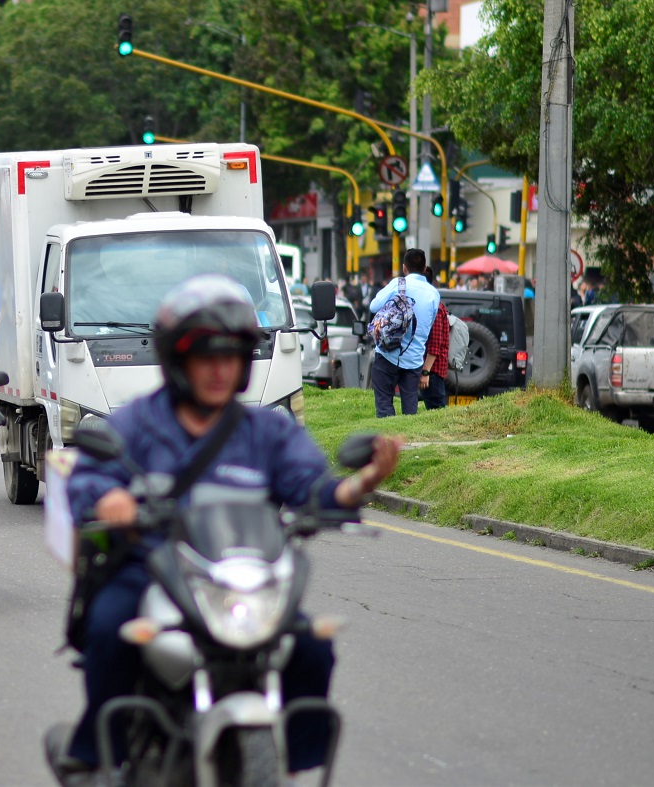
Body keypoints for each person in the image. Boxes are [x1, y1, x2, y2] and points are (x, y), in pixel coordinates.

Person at [50, 276, 401, 783]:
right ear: (178, 361)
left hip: (237, 576)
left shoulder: (268, 431)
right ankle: (99, 753)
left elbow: (311, 488)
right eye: (205, 356)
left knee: (311, 646)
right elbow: (89, 478)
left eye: (231, 356)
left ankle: (296, 763)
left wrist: (361, 484)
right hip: (152, 568)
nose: (219, 369)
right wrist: (112, 498)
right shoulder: (138, 423)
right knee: (110, 629)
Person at [367, 248, 440, 417]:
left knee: (384, 403)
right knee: (410, 407)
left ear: (404, 268)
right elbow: (429, 323)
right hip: (414, 359)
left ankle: (387, 439)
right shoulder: (434, 294)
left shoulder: (398, 284)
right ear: (424, 268)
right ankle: (409, 440)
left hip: (387, 353)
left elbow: (373, 306)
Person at [421, 269, 451, 411]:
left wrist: (425, 372)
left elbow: (435, 344)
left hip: (433, 371)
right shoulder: (431, 304)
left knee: (436, 411)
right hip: (431, 370)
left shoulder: (436, 307)